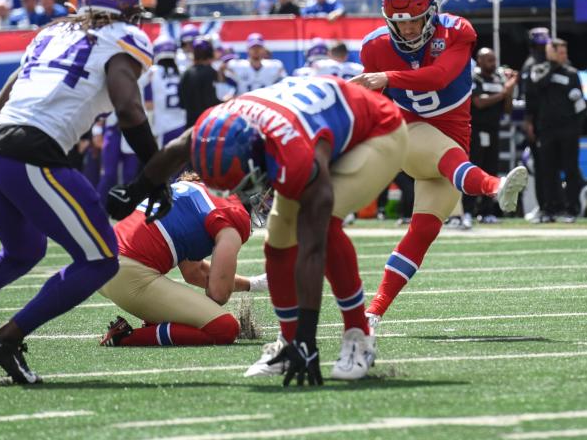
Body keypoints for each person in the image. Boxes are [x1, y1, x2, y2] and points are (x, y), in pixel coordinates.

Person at [0, 0, 165, 386]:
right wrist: (155, 173)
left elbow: (6, 93)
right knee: (100, 259)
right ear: (125, 8)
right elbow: (128, 108)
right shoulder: (124, 38)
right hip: (32, 152)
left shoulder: (52, 32)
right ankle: (7, 338)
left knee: (23, 251)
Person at [107, 76, 409, 385]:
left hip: (377, 131)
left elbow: (313, 247)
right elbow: (175, 149)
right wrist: (134, 191)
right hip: (311, 123)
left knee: (325, 225)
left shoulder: (292, 153)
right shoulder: (215, 125)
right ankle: (288, 344)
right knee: (277, 240)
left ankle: (357, 337)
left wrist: (308, 336)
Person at [352, 0, 528, 327]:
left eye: (416, 20)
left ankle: (373, 313)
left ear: (431, 12)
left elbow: (440, 76)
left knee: (423, 232)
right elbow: (372, 97)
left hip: (450, 142)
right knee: (448, 157)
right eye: (401, 22)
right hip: (409, 133)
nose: (410, 29)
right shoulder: (375, 46)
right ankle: (495, 187)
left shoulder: (457, 32)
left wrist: (388, 77)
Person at [98, 173, 264, 347]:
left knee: (196, 318)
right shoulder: (233, 212)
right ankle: (124, 337)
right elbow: (218, 293)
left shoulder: (193, 188)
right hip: (128, 275)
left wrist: (254, 284)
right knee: (224, 328)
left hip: (101, 264)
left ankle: (155, 324)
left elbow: (195, 272)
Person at [525, 38, 587, 222]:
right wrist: (551, 64)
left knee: (570, 169)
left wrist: (577, 127)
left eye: (564, 53)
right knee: (547, 170)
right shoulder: (539, 70)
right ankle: (549, 208)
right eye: (559, 52)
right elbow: (537, 87)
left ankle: (571, 209)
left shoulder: (572, 73)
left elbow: (580, 104)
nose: (563, 56)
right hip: (546, 129)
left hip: (568, 129)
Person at [466, 48, 518, 223]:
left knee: (491, 169)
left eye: (494, 59)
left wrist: (509, 91)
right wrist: (504, 92)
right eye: (488, 60)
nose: (493, 63)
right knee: (474, 168)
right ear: (479, 60)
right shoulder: (474, 78)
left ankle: (487, 211)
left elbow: (507, 109)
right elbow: (479, 102)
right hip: (476, 130)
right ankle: (467, 210)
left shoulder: (498, 79)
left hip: (493, 130)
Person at [520, 27, 552, 221]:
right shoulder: (530, 65)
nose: (542, 48)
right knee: (541, 168)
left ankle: (553, 205)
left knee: (551, 168)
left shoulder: (550, 63)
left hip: (550, 122)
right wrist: (529, 121)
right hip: (538, 123)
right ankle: (543, 206)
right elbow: (528, 97)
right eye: (539, 45)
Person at [149, 36, 187, 146]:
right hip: (183, 125)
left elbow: (148, 104)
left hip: (163, 127)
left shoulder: (152, 73)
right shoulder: (183, 71)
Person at [178, 35, 221, 127]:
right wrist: (226, 101)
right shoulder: (211, 72)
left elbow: (182, 103)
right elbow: (212, 102)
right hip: (209, 127)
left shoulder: (186, 73)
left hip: (191, 126)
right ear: (210, 54)